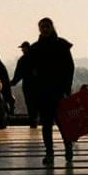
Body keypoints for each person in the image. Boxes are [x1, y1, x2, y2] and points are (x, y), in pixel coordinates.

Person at [28, 17, 75, 165]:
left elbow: (69, 67)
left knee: (62, 123)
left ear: (51, 27)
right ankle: (49, 152)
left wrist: (67, 87)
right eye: (42, 27)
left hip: (57, 90)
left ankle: (67, 146)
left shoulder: (61, 45)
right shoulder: (35, 48)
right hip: (43, 91)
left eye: (47, 26)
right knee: (47, 124)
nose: (44, 29)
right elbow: (30, 69)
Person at [12, 41, 37, 128]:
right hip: (38, 85)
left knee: (30, 103)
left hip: (28, 85)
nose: (22, 50)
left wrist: (13, 82)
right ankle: (36, 120)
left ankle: (33, 122)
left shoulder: (22, 60)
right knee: (37, 103)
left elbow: (18, 74)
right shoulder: (37, 57)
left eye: (23, 48)